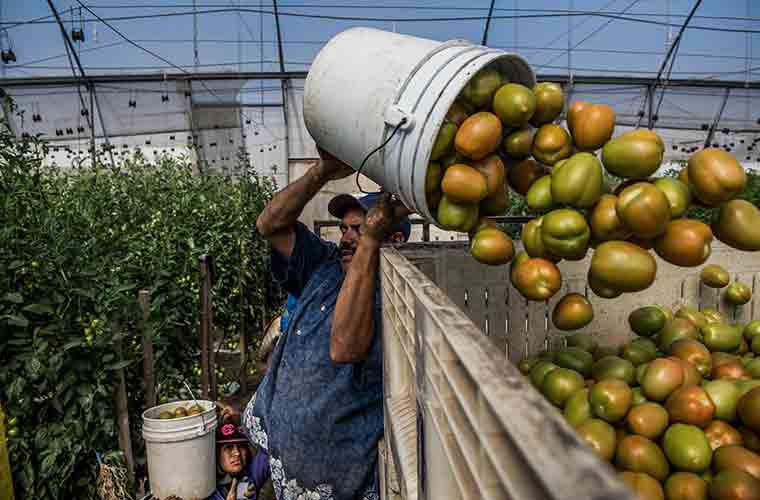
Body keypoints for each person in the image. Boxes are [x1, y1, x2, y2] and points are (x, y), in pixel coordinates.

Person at [242, 148, 411, 500]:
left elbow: (345, 346)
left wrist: (370, 243)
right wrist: (321, 172)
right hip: (277, 450)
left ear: (392, 239)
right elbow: (268, 224)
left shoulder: (391, 296)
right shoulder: (325, 264)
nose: (349, 238)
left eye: (360, 230)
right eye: (345, 229)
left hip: (329, 480)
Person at [207, 418, 271, 500]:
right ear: (216, 453)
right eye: (228, 447)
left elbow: (273, 441)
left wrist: (245, 417)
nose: (237, 453)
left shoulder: (251, 474)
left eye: (241, 446)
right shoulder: (203, 491)